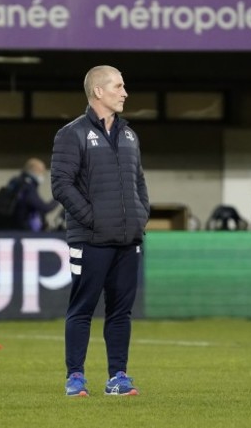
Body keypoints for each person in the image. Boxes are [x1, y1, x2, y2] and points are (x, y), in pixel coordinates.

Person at [50, 65, 150, 397]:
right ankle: (75, 377)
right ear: (98, 92)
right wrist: (92, 219)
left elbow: (139, 182)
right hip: (90, 238)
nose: (125, 92)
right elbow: (61, 185)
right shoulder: (72, 134)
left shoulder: (130, 134)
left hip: (127, 239)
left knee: (121, 311)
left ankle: (118, 377)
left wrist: (140, 215)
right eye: (119, 86)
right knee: (82, 308)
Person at [8, 158, 60, 231]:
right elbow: (44, 208)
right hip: (24, 231)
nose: (43, 175)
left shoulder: (18, 184)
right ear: (32, 170)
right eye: (41, 171)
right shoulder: (28, 187)